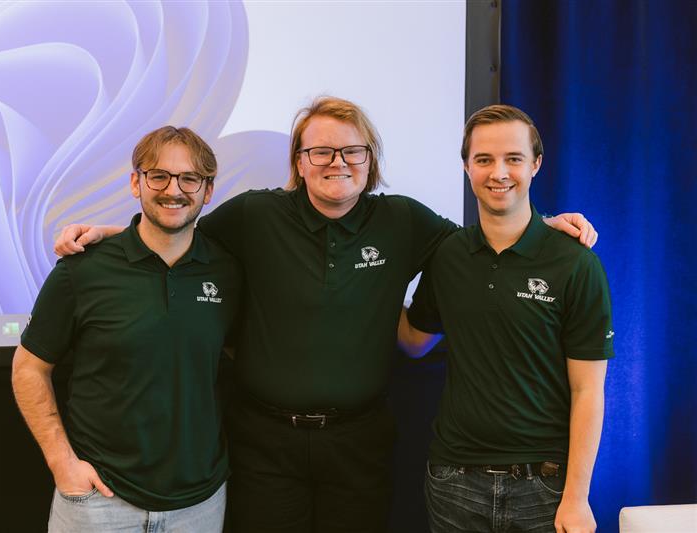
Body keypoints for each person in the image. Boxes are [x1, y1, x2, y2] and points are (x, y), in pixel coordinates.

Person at [54, 96, 597, 533]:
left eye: (352, 151)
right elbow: (175, 230)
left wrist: (546, 227)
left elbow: (484, 241)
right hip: (264, 440)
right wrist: (109, 232)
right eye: (321, 152)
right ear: (299, 161)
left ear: (370, 160)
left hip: (359, 441)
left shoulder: (402, 220)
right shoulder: (255, 214)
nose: (337, 162)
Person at [12, 126, 241, 532]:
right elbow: (29, 367)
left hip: (200, 505)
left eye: (190, 178)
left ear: (207, 191)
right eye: (159, 175)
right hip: (98, 501)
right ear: (136, 182)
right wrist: (62, 463)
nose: (174, 189)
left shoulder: (228, 271)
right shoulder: (83, 269)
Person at [399, 104, 612, 533]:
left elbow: (587, 390)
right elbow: (414, 341)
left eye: (513, 159)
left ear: (536, 164)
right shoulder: (449, 256)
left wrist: (577, 497)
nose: (499, 173)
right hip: (453, 482)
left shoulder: (574, 262)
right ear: (466, 167)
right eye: (484, 160)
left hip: (545, 486)